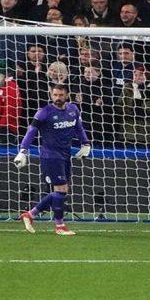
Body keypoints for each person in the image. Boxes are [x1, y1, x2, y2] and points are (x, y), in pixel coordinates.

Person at [15, 83, 92, 236]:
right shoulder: (44, 112)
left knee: (62, 191)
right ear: (51, 95)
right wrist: (23, 151)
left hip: (65, 155)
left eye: (60, 95)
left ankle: (30, 214)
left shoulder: (73, 110)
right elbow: (31, 131)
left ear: (67, 95)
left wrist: (86, 143)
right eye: (55, 95)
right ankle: (59, 226)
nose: (57, 98)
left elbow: (79, 127)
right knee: (61, 190)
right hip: (50, 156)